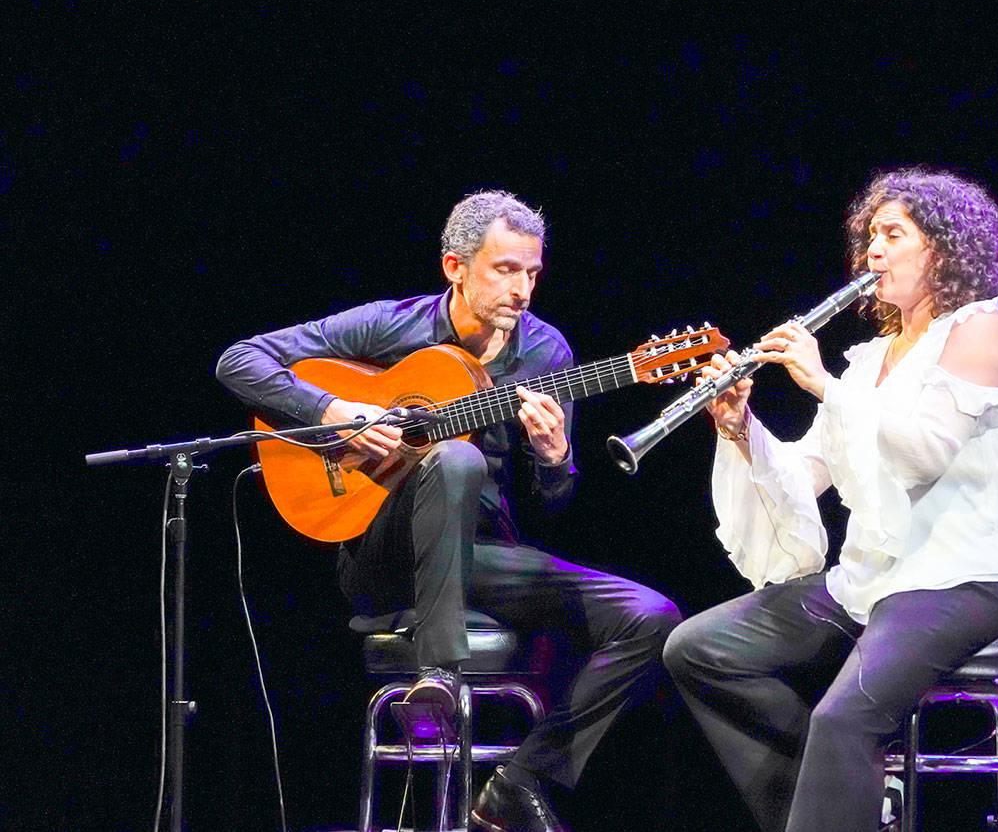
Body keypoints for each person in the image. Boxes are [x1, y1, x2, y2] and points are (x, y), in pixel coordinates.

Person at [217, 190, 681, 832]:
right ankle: (437, 675)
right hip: (385, 556)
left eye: (533, 273)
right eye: (506, 270)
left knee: (652, 618)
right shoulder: (392, 326)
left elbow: (554, 506)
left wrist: (556, 459)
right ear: (455, 267)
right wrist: (334, 411)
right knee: (456, 457)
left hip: (483, 556)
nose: (522, 290)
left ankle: (519, 782)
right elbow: (239, 360)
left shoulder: (547, 355)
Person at [662, 168, 998, 832]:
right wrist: (740, 428)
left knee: (842, 718)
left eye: (893, 234)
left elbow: (924, 449)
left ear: (943, 247)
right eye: (870, 235)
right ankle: (844, 809)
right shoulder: (870, 361)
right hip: (874, 580)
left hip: (963, 578)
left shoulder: (983, 331)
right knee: (699, 649)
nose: (873, 250)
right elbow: (806, 473)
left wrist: (822, 383)